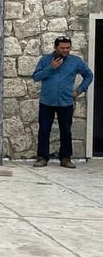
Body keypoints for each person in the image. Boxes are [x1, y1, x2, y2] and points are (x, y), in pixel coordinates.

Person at [31, 35, 93, 169]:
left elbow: (89, 75)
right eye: (62, 48)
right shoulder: (45, 60)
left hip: (66, 102)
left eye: (68, 48)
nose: (65, 50)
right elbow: (35, 77)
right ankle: (42, 158)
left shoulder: (76, 61)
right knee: (44, 130)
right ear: (55, 47)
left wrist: (79, 90)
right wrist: (50, 68)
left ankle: (65, 158)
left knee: (66, 131)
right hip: (47, 102)